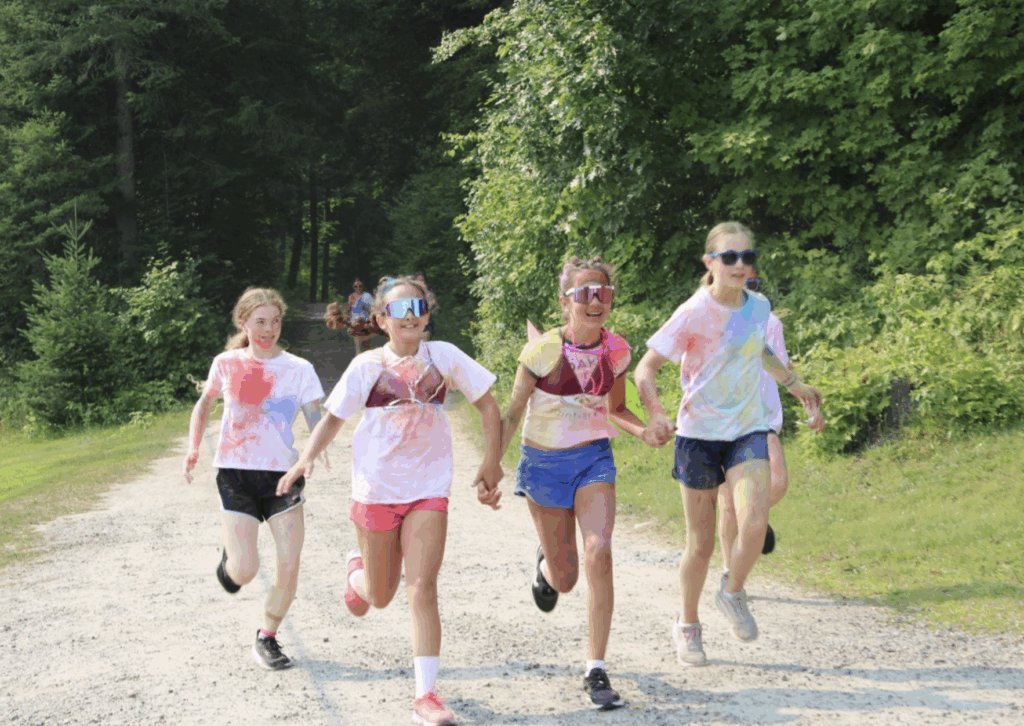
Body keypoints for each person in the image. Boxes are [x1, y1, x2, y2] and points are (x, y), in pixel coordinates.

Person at [277, 275, 503, 726]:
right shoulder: (367, 366)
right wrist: (305, 459)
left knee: (422, 587)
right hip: (377, 489)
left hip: (428, 488)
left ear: (427, 314)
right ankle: (357, 573)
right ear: (382, 320)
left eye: (418, 307)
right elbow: (333, 419)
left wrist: (492, 462)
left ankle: (426, 695)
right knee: (380, 597)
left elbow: (488, 405)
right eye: (399, 310)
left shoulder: (444, 356)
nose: (411, 316)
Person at [633, 222, 822, 668]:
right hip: (698, 436)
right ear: (710, 262)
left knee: (754, 521)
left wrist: (794, 384)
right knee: (699, 545)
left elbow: (758, 349)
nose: (740, 265)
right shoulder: (693, 312)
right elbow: (645, 369)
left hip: (747, 429)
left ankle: (732, 591)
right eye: (730, 257)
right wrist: (656, 412)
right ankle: (687, 624)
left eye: (747, 257)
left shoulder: (760, 308)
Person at [499, 256, 657, 711]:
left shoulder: (617, 351)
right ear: (564, 301)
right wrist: (491, 466)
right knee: (566, 578)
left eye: (603, 293)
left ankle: (595, 668)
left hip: (593, 459)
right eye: (585, 293)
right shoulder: (542, 351)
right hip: (543, 463)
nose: (595, 301)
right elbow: (512, 413)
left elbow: (616, 409)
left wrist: (644, 430)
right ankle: (547, 566)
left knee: (599, 551)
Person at [183, 287, 327, 670]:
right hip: (236, 473)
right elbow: (204, 404)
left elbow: (315, 415)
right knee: (244, 571)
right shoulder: (227, 363)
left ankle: (268, 636)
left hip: (283, 476)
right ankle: (231, 560)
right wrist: (193, 448)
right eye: (260, 321)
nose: (269, 329)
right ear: (243, 322)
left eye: (275, 321)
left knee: (289, 564)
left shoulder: (299, 369)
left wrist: (314, 451)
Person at [716, 274, 825, 578]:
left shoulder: (771, 323)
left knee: (778, 481)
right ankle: (730, 573)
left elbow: (785, 371)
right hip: (721, 421)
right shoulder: (710, 321)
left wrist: (811, 406)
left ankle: (752, 513)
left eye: (752, 285)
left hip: (761, 416)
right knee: (727, 501)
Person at [329, 279, 376, 355]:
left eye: (360, 286)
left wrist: (366, 308)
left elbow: (373, 309)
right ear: (353, 287)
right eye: (356, 286)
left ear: (363, 287)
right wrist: (349, 304)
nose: (358, 288)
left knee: (367, 347)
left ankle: (366, 359)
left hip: (366, 322)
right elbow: (348, 310)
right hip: (355, 323)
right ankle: (359, 359)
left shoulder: (367, 296)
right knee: (358, 346)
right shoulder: (351, 296)